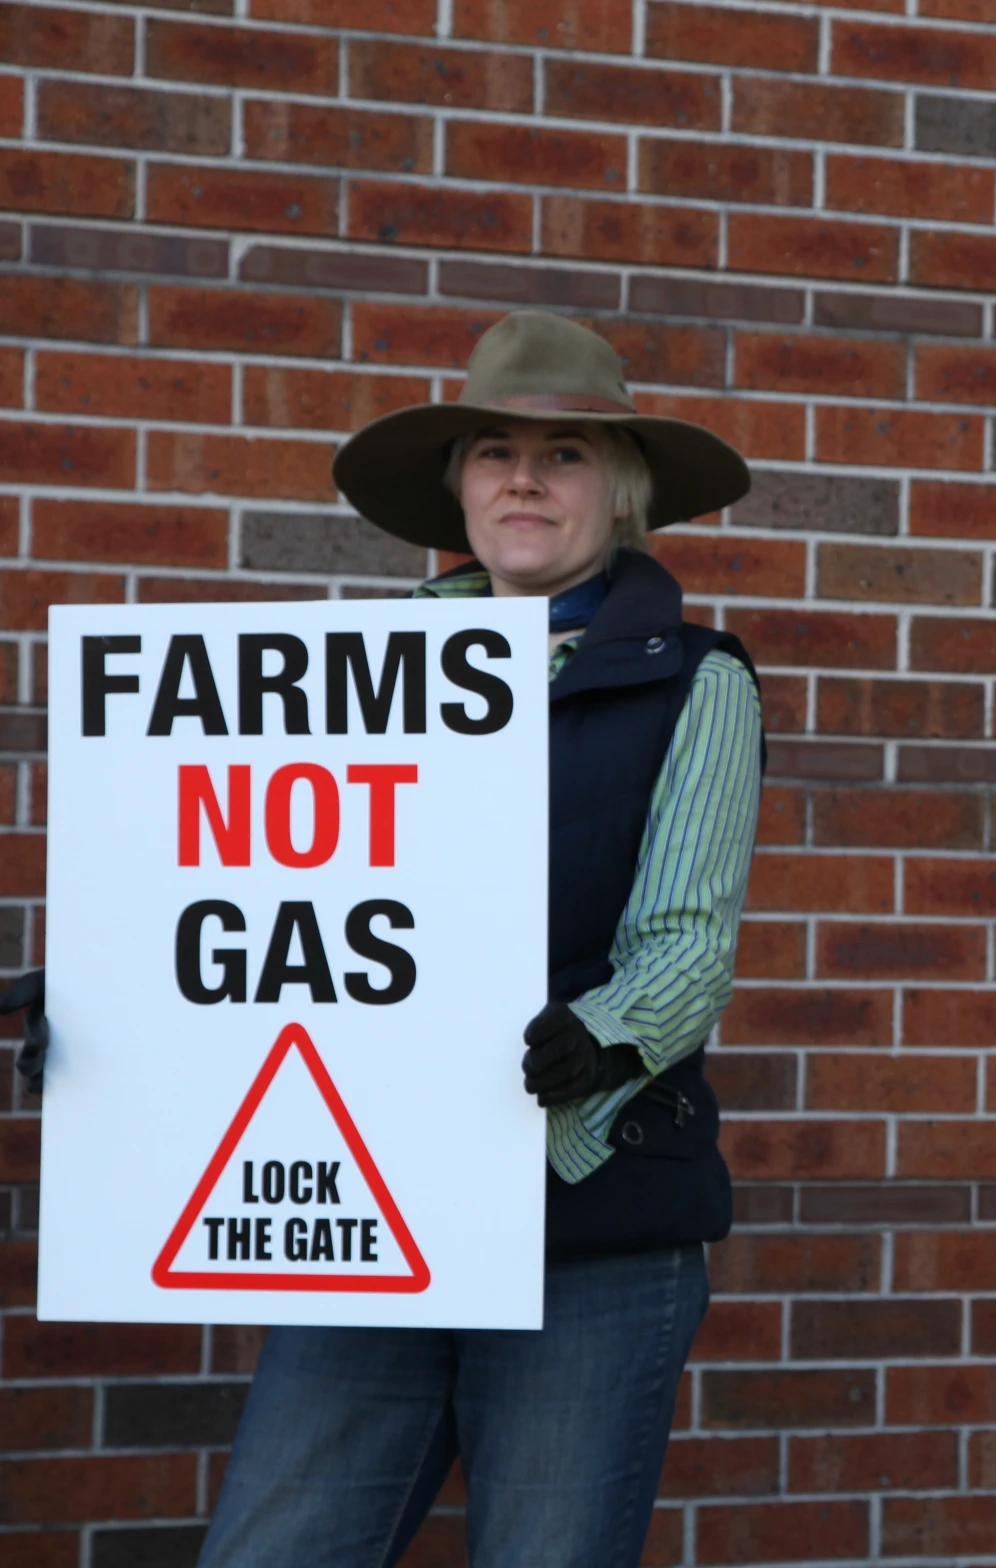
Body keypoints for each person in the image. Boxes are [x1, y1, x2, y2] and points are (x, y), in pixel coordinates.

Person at [1, 310, 764, 1566]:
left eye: (565, 451)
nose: (524, 476)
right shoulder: (340, 681)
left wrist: (599, 1033)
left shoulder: (694, 683)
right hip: (375, 1224)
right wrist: (118, 1003)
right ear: (457, 488)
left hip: (585, 1222)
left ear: (621, 491)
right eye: (493, 450)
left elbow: (689, 943)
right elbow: (265, 905)